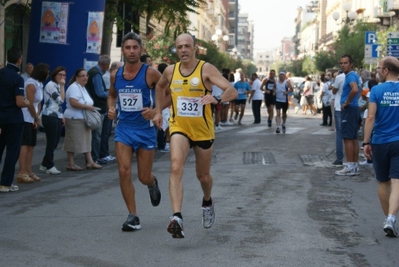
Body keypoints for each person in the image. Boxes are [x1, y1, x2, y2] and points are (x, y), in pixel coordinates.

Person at [152, 33, 238, 238]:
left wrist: (216, 98)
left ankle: (207, 200)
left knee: (203, 176)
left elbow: (232, 91)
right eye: (179, 46)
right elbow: (160, 86)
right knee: (175, 166)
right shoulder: (171, 71)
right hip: (179, 127)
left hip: (203, 130)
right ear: (176, 49)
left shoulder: (206, 69)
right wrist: (157, 111)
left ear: (194, 48)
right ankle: (177, 217)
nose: (183, 50)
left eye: (187, 46)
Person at [107, 32, 161, 231]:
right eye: (128, 48)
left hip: (145, 130)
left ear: (141, 50)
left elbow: (169, 93)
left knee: (143, 176)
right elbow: (112, 95)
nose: (131, 51)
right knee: (123, 171)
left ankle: (152, 183)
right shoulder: (116, 75)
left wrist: (156, 110)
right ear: (123, 50)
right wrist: (111, 108)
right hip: (124, 129)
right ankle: (133, 216)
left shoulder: (151, 73)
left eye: (135, 48)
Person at [363, 56, 399, 237]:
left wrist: (366, 142)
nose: (377, 71)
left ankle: (388, 219)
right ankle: (391, 219)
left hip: (380, 141)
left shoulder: (376, 90)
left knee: (384, 181)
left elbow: (370, 117)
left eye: (379, 68)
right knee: (398, 181)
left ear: (386, 71)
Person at [0, 47, 30, 192]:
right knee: (12, 151)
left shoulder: (0, 73)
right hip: (13, 119)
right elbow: (19, 102)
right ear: (19, 60)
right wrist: (27, 102)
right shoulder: (18, 78)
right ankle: (5, 183)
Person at [63, 68, 102, 171]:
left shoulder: (82, 87)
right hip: (74, 118)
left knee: (86, 141)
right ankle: (70, 163)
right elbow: (73, 102)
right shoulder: (74, 87)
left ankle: (90, 162)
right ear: (77, 77)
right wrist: (88, 107)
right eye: (82, 76)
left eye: (86, 75)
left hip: (83, 118)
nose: (85, 77)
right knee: (73, 141)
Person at [17, 63, 49, 183]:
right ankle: (22, 172)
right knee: (24, 145)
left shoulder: (39, 84)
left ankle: (29, 171)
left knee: (31, 145)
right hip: (26, 116)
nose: (48, 74)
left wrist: (37, 117)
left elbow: (38, 103)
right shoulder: (30, 84)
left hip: (33, 116)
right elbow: (29, 103)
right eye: (47, 72)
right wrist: (35, 118)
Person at [335, 55, 361, 176]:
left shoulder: (350, 75)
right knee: (353, 138)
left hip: (349, 109)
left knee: (347, 138)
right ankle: (354, 165)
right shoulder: (354, 75)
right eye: (341, 63)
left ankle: (350, 165)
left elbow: (355, 89)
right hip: (354, 108)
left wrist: (346, 102)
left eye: (345, 63)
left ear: (351, 64)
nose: (342, 65)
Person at [39, 66, 66, 175]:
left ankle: (44, 164)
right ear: (54, 75)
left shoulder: (57, 85)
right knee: (51, 142)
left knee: (55, 142)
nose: (62, 77)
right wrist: (62, 86)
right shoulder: (51, 85)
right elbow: (60, 101)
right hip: (49, 116)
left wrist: (62, 116)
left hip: (57, 116)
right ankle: (49, 165)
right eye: (60, 74)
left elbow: (58, 106)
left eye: (64, 75)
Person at [86, 55, 111, 165]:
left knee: (96, 134)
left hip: (96, 107)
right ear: (105, 64)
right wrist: (111, 94)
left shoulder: (95, 72)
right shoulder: (96, 73)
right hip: (97, 108)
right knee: (96, 135)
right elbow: (99, 92)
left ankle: (93, 158)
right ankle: (94, 158)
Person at [99, 61, 122, 163]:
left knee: (107, 132)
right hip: (108, 108)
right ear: (114, 69)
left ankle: (105, 153)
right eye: (120, 69)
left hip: (113, 107)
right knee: (105, 132)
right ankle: (103, 154)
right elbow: (110, 94)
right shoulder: (108, 77)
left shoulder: (116, 77)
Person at [331, 70, 345, 167]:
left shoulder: (339, 78)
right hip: (351, 107)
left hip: (339, 107)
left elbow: (334, 91)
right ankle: (353, 161)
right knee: (352, 136)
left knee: (339, 134)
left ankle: (339, 158)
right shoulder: (357, 77)